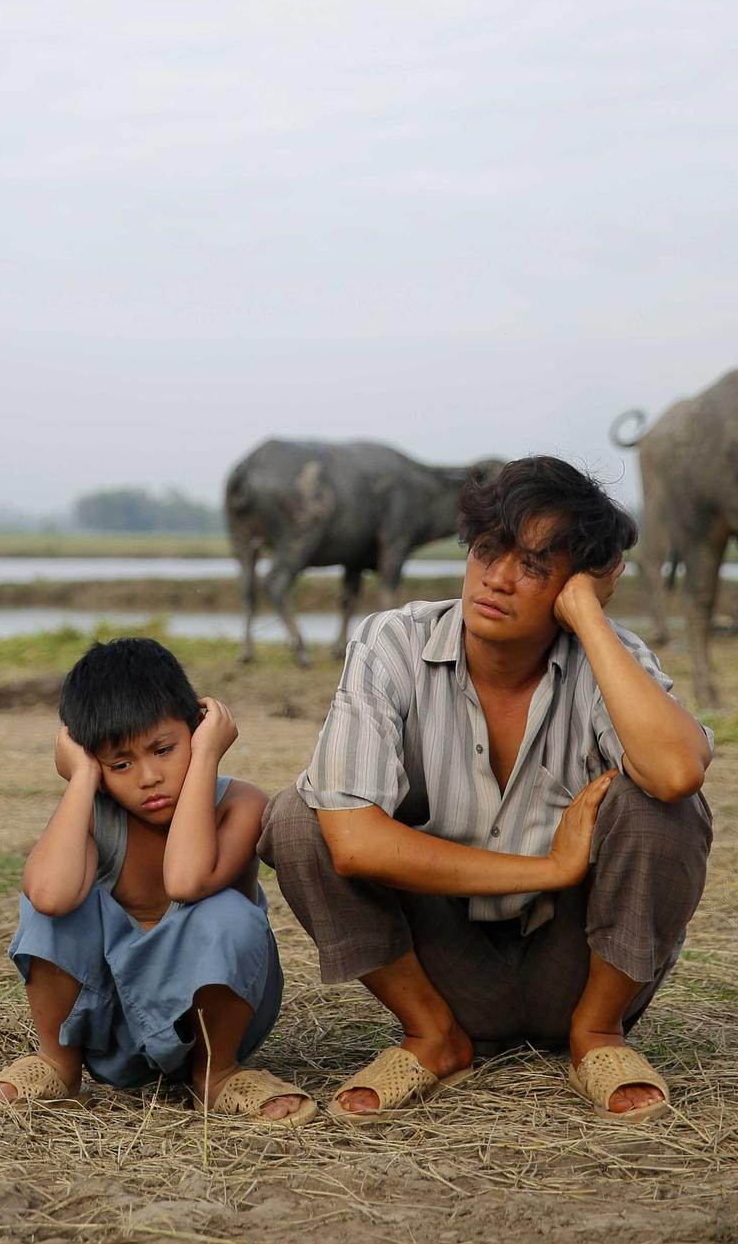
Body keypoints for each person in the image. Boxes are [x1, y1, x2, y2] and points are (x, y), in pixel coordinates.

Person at [259, 456, 713, 1124]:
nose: (497, 578)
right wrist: (548, 866)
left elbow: (678, 773)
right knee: (300, 815)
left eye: (534, 564)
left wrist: (587, 616)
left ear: (576, 585)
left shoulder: (607, 654)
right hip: (447, 967)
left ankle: (598, 1035)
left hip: (579, 961)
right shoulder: (394, 642)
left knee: (660, 805)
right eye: (487, 549)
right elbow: (351, 842)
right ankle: (431, 1034)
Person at [0, 635, 316, 1124]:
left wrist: (206, 759)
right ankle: (58, 1063)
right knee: (52, 901)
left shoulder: (240, 805)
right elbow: (49, 894)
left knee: (229, 913)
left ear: (199, 729)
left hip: (206, 1027)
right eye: (121, 764)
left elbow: (186, 880)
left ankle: (217, 1077)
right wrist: (83, 783)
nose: (148, 777)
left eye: (164, 749)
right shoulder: (95, 813)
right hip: (111, 1027)